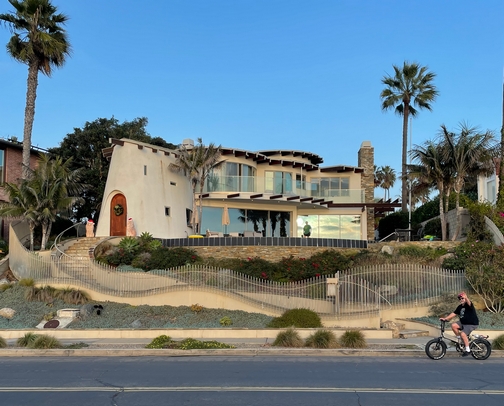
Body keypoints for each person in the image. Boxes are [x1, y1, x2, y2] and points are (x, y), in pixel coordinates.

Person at [440, 292, 479, 356]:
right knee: (453, 325)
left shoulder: (468, 305)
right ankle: (460, 340)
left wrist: (466, 298)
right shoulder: (460, 307)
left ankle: (468, 350)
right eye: (460, 299)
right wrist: (445, 318)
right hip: (463, 323)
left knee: (463, 334)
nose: (461, 300)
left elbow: (469, 302)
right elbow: (454, 313)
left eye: (462, 298)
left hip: (471, 324)